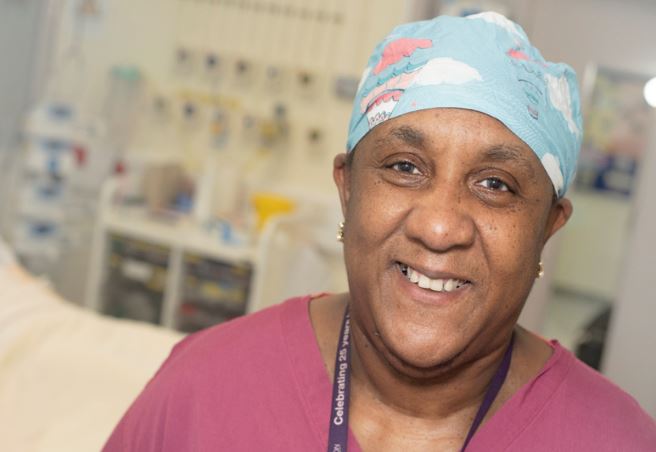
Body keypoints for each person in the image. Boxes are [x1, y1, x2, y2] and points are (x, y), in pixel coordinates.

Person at [103, 12, 656, 451]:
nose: (439, 227)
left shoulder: (617, 439)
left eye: (495, 183)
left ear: (547, 227)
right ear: (348, 188)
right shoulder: (204, 387)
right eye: (405, 167)